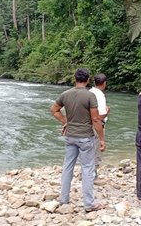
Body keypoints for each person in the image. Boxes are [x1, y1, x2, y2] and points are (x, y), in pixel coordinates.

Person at [50, 68, 105, 212]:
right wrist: (102, 138)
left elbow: (54, 110)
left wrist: (65, 122)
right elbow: (95, 119)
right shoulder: (90, 96)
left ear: (75, 79)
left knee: (68, 166)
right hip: (85, 137)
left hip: (70, 136)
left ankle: (64, 199)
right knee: (87, 169)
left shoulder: (65, 94)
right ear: (87, 80)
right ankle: (88, 203)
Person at [89, 73, 110, 178]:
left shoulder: (89, 92)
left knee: (89, 149)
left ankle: (86, 172)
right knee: (97, 149)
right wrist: (107, 112)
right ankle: (93, 174)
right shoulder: (100, 95)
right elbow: (99, 116)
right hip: (96, 125)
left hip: (87, 125)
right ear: (104, 83)